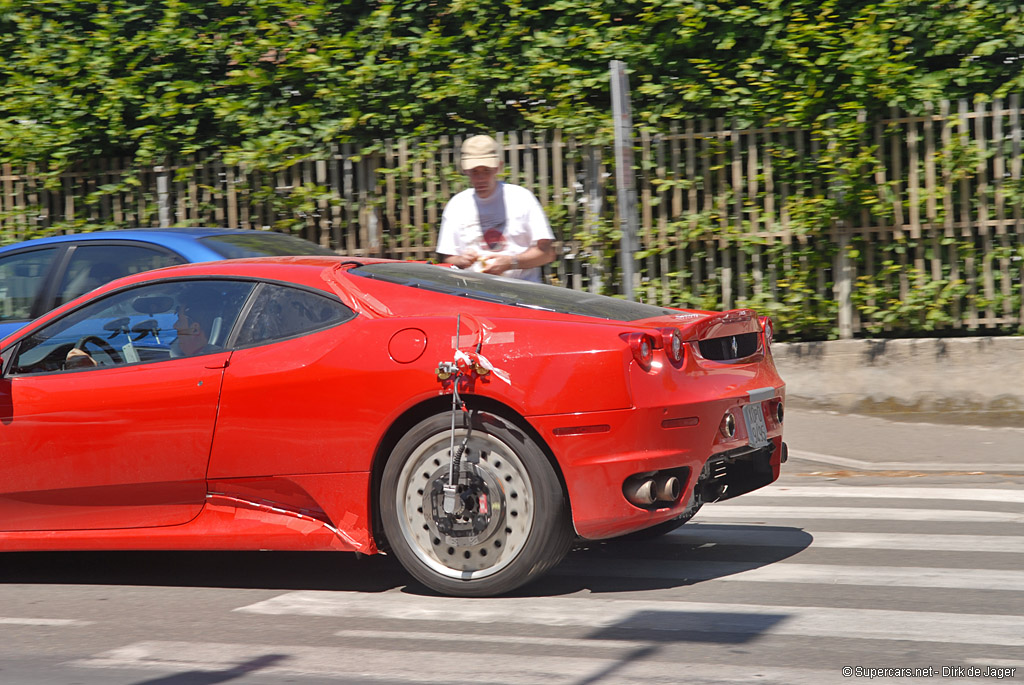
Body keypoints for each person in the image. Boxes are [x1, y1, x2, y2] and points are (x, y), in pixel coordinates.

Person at [436, 134, 555, 282]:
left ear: (498, 167)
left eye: (486, 170)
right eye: (474, 171)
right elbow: (448, 258)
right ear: (465, 170)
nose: (480, 178)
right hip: (475, 294)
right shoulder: (457, 205)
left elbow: (547, 253)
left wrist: (511, 262)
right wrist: (461, 260)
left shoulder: (522, 198)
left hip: (522, 293)